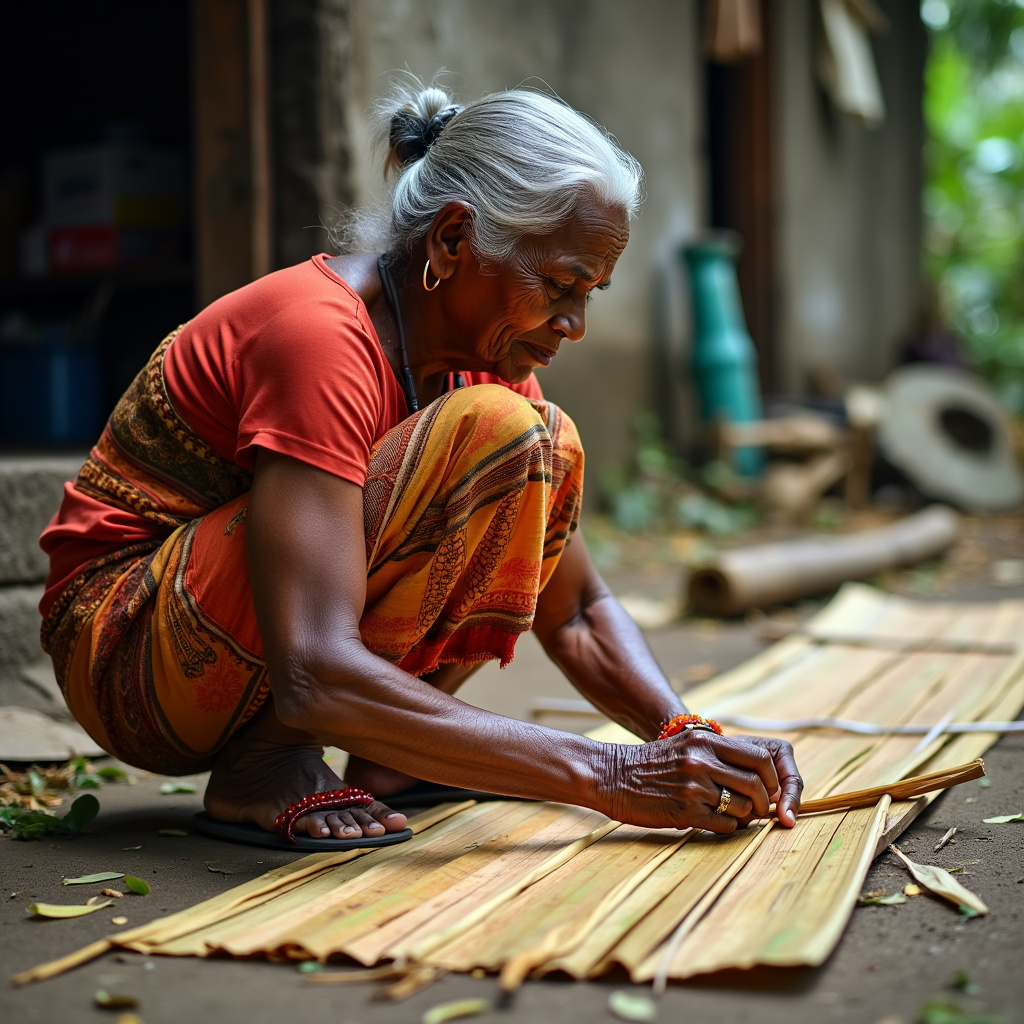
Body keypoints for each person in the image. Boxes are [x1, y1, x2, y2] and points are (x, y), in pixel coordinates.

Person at [39, 79, 802, 849]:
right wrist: (608, 776)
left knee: (544, 440)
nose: (574, 325)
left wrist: (687, 739)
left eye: (592, 293)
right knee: (505, 431)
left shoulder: (488, 361)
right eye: (562, 285)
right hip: (126, 651)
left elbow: (575, 612)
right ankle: (266, 762)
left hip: (243, 645)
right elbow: (314, 670)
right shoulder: (321, 335)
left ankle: (390, 761)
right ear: (451, 241)